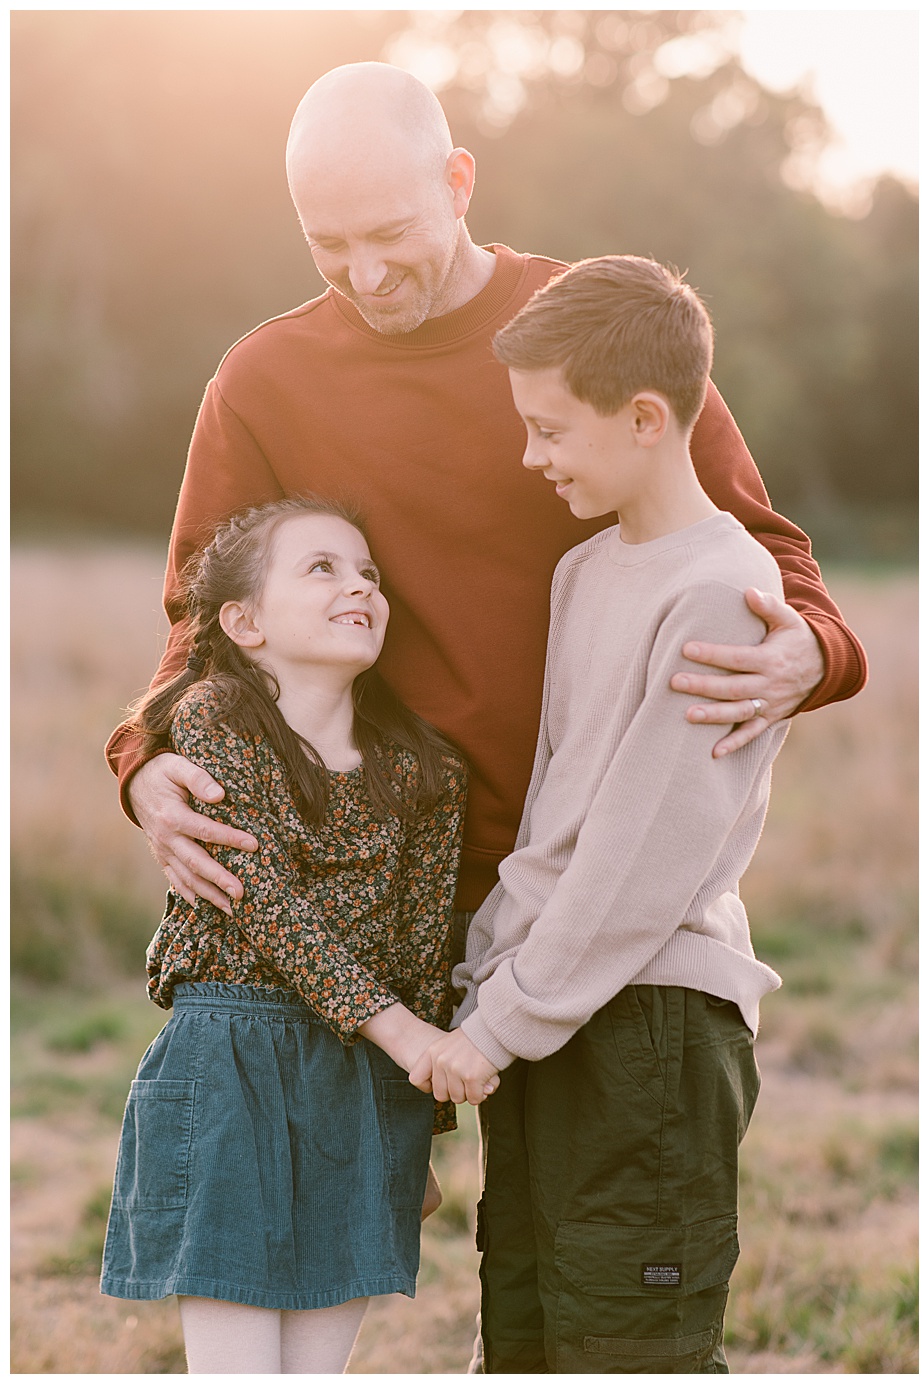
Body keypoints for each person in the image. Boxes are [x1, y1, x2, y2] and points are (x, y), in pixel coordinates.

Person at [104, 63, 864, 954]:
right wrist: (142, 766)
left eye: (390, 232)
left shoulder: (591, 333)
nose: (368, 272)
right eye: (330, 244)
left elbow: (757, 543)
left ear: (458, 183)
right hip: (362, 873)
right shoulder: (261, 383)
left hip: (583, 877)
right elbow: (203, 622)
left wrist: (816, 649)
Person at [410, 255, 785, 1372]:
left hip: (648, 1028)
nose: (530, 457)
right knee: (522, 1334)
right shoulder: (584, 570)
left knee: (628, 1348)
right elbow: (557, 816)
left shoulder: (720, 592)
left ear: (643, 417)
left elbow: (637, 862)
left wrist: (500, 1022)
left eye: (549, 430)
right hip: (549, 1011)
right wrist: (491, 986)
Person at [99, 499, 468, 1373]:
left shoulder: (427, 771)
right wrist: (404, 1034)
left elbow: (422, 957)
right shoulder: (216, 718)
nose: (359, 587)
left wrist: (422, 1127)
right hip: (230, 1060)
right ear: (245, 620)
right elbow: (266, 906)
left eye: (369, 573)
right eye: (323, 568)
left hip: (363, 1083)